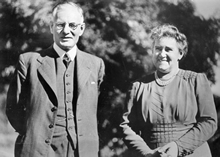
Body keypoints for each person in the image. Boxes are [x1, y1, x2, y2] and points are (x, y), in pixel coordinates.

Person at [6, 1, 105, 157]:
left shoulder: (95, 64)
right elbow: (13, 109)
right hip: (37, 150)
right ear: (51, 27)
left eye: (72, 25)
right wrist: (34, 134)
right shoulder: (29, 62)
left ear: (81, 28)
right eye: (60, 25)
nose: (66, 31)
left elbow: (99, 109)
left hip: (82, 151)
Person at [120, 24, 217, 157]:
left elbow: (209, 122)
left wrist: (178, 147)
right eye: (158, 49)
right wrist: (147, 153)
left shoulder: (195, 81)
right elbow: (126, 126)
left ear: (180, 54)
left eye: (168, 49)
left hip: (193, 153)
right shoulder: (138, 87)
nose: (162, 54)